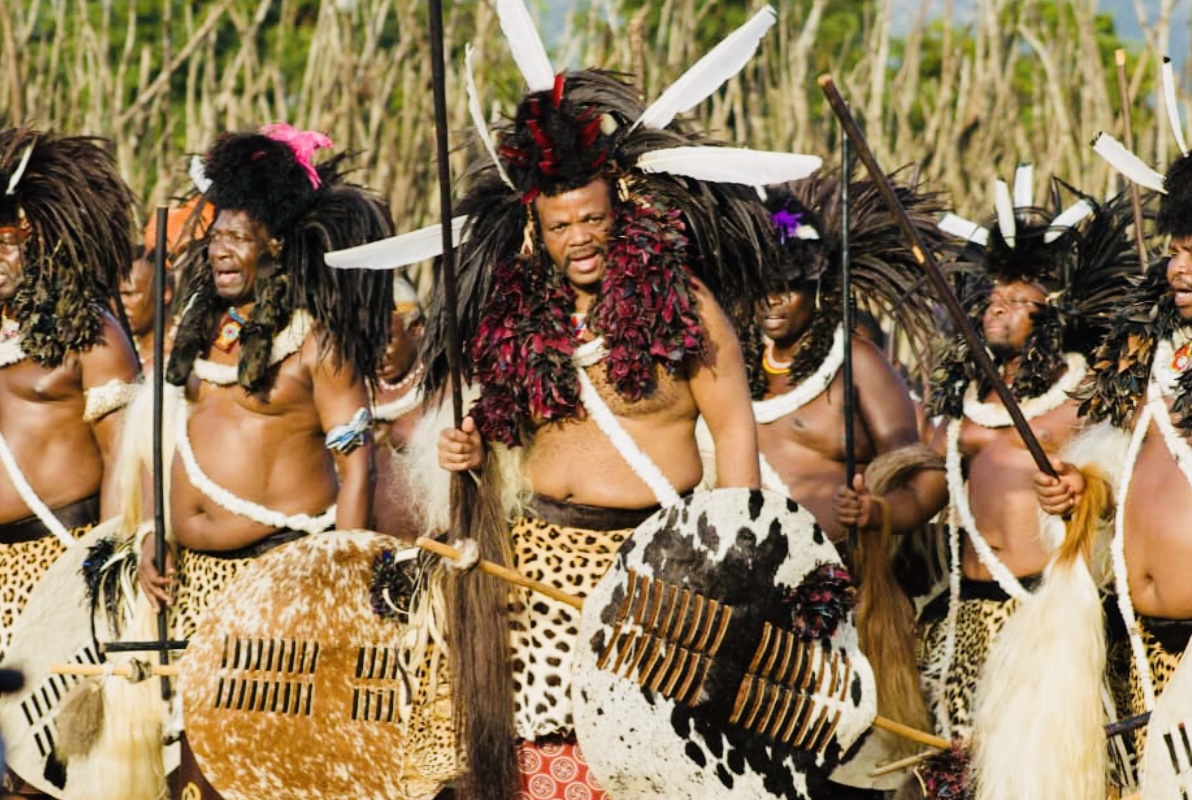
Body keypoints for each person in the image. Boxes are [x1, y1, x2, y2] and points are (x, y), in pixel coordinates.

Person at [425, 52, 822, 796]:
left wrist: (735, 563)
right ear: (536, 235)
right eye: (559, 226)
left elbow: (735, 430)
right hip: (537, 564)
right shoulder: (519, 320)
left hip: (652, 565)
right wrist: (469, 448)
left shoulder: (686, 307)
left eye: (591, 219)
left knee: (647, 752)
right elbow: (503, 430)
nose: (578, 237)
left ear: (621, 214)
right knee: (542, 751)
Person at [135, 123, 393, 799]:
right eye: (215, 234)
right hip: (190, 582)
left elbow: (357, 463)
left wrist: (341, 579)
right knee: (192, 767)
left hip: (276, 578)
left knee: (261, 763)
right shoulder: (198, 329)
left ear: (272, 244)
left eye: (237, 237)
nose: (220, 248)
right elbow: (173, 441)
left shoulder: (316, 343)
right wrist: (150, 532)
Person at [740, 174, 948, 798]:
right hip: (746, 600)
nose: (775, 300)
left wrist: (880, 507)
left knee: (845, 774)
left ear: (817, 287)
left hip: (842, 599)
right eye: (763, 287)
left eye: (791, 286)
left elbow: (928, 477)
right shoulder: (727, 367)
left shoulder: (852, 361)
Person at [920, 173, 1138, 745]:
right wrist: (877, 508)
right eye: (994, 296)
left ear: (1054, 312)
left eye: (1019, 300)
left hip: (1036, 605)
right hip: (965, 603)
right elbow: (921, 491)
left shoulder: (1080, 391)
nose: (1000, 306)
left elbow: (1116, 476)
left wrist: (1080, 487)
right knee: (954, 765)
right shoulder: (962, 400)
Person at [1037, 151, 1192, 791]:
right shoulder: (1148, 348)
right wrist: (1083, 487)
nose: (1179, 266)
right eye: (1176, 249)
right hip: (1130, 641)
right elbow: (1119, 455)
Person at [0, 129, 139, 660]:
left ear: (40, 241)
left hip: (63, 559)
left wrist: (106, 563)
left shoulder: (90, 334)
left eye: (8, 242)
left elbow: (122, 459)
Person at [119, 199, 213, 372]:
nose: (120, 304)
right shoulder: (117, 350)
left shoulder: (192, 344)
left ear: (165, 293)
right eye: (118, 296)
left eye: (130, 294)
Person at [373, 276, 426, 542]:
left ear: (416, 328)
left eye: (386, 340)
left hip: (428, 547)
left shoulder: (444, 383)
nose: (376, 353)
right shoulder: (349, 385)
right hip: (362, 549)